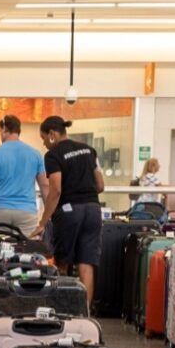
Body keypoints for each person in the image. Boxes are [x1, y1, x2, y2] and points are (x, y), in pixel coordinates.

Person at [32, 116, 105, 306]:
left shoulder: (53, 155)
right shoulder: (89, 150)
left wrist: (42, 222)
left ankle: (61, 309)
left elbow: (55, 189)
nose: (44, 143)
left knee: (62, 262)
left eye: (44, 138)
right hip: (93, 210)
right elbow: (100, 185)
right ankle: (85, 312)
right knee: (86, 262)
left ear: (52, 134)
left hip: (70, 212)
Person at [0, 115, 48, 235]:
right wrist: (48, 214)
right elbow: (45, 185)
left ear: (4, 129)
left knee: (1, 250)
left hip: (0, 211)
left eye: (0, 131)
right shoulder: (35, 154)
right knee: (26, 250)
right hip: (26, 212)